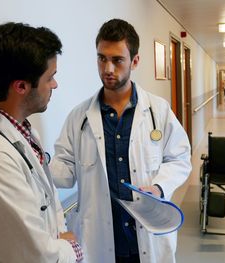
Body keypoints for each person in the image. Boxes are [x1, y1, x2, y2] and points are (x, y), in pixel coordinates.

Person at [51, 19, 192, 263]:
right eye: (101, 58)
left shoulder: (158, 110)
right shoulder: (79, 117)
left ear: (134, 61)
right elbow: (64, 171)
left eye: (117, 60)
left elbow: (179, 158)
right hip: (101, 240)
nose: (107, 68)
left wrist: (159, 187)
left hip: (146, 237)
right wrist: (36, 161)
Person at [0, 22, 83, 263]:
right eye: (50, 77)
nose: (55, 85)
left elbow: (47, 200)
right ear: (21, 86)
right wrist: (72, 247)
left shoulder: (21, 131)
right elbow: (33, 256)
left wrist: (58, 238)